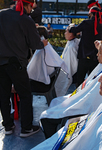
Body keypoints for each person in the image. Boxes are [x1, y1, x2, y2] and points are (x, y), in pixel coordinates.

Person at [39, 38, 102, 139]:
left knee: (46, 117)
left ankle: (55, 142)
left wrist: (74, 102)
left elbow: (91, 99)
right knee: (55, 102)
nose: (97, 54)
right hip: (83, 101)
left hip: (86, 109)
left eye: (99, 52)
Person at [0, 0, 48, 137]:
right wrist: (42, 43)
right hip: (17, 63)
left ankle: (7, 126)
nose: (31, 11)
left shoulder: (1, 14)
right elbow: (34, 43)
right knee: (25, 95)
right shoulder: (25, 19)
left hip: (0, 62)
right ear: (27, 5)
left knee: (3, 95)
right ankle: (26, 128)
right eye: (30, 8)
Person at [69, 6, 102, 87]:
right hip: (95, 57)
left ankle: (78, 96)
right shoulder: (101, 25)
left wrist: (71, 26)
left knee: (80, 79)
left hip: (84, 56)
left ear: (90, 14)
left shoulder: (86, 23)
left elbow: (73, 30)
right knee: (93, 81)